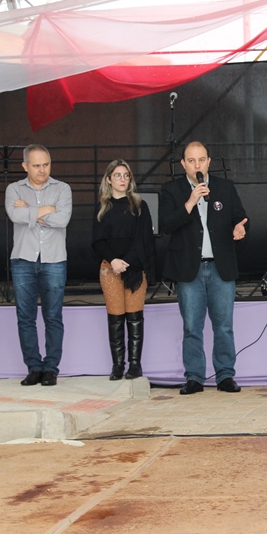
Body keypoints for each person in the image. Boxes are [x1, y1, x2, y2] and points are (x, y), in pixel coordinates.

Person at [159, 141, 249, 395]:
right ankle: (194, 377)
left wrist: (240, 227)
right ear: (183, 164)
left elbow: (241, 218)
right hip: (190, 269)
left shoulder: (225, 187)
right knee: (191, 326)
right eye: (191, 161)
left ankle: (225, 375)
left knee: (224, 326)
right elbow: (166, 225)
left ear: (209, 161)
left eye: (201, 160)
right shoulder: (172, 190)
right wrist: (190, 202)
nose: (197, 165)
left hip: (221, 268)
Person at [5, 145, 72, 387]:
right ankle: (34, 367)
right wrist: (46, 211)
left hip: (54, 260)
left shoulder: (62, 188)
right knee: (25, 317)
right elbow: (15, 216)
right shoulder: (14, 189)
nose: (42, 170)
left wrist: (30, 213)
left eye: (46, 164)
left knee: (53, 317)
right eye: (36, 165)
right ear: (25, 166)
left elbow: (63, 219)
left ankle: (51, 368)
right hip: (23, 259)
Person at [92, 159, 156, 380]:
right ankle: (118, 365)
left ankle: (135, 365)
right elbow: (97, 241)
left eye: (126, 175)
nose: (122, 179)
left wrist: (125, 262)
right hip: (110, 270)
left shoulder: (139, 206)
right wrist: (113, 261)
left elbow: (145, 239)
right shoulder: (102, 208)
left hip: (135, 269)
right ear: (109, 179)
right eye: (117, 175)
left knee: (135, 317)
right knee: (116, 317)